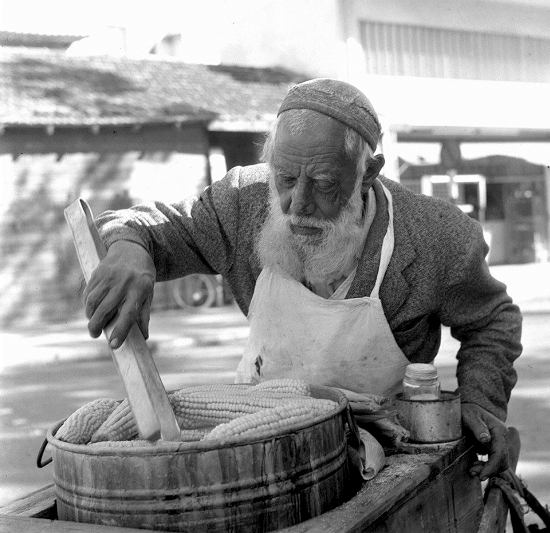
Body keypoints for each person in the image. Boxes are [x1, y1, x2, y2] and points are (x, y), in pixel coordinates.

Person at [84, 78, 522, 482]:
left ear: (367, 173)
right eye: (285, 178)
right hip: (258, 440)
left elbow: (492, 319)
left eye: (324, 183)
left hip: (383, 451)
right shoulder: (241, 202)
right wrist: (131, 249)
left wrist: (481, 402)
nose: (298, 203)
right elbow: (149, 224)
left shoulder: (434, 236)